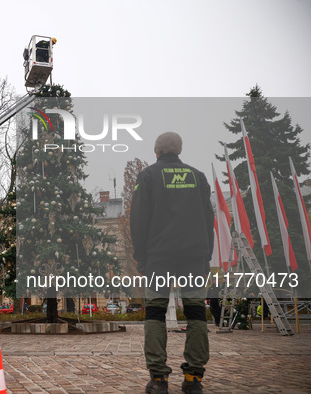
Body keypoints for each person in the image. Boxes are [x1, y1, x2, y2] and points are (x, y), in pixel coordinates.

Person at [130, 132, 214, 394]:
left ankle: (159, 380)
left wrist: (141, 257)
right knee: (197, 313)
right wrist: (206, 254)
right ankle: (193, 380)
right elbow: (208, 218)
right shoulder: (197, 176)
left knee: (155, 313)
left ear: (157, 152)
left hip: (159, 256)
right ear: (179, 151)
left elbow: (138, 220)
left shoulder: (148, 177)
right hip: (194, 256)